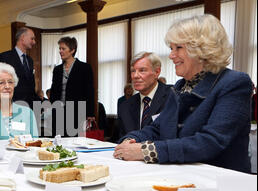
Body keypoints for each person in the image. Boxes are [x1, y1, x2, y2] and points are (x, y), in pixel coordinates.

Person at [114, 14, 253, 173]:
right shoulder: (180, 87)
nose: (171, 55)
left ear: (202, 49)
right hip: (183, 177)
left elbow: (210, 142)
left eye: (178, 48)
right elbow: (157, 129)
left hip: (222, 185)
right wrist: (131, 140)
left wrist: (145, 151)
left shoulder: (234, 83)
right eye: (171, 48)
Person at [0, 62, 38, 140]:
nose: (7, 86)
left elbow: (35, 144)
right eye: (1, 83)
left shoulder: (28, 113)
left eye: (10, 82)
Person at [117, 52, 171, 139]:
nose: (135, 76)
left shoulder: (173, 96)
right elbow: (122, 139)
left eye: (142, 70)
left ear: (157, 72)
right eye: (133, 71)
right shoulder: (125, 107)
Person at [49, 36, 95, 137]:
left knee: (75, 142)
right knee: (58, 141)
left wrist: (90, 113)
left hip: (77, 112)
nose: (60, 51)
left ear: (72, 50)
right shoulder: (57, 69)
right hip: (58, 112)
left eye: (63, 48)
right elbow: (53, 91)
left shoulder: (84, 68)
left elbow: (90, 91)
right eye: (59, 48)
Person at [0, 27, 39, 108]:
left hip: (28, 107)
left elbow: (31, 86)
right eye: (32, 38)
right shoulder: (6, 57)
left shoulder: (30, 60)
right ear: (23, 38)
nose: (34, 42)